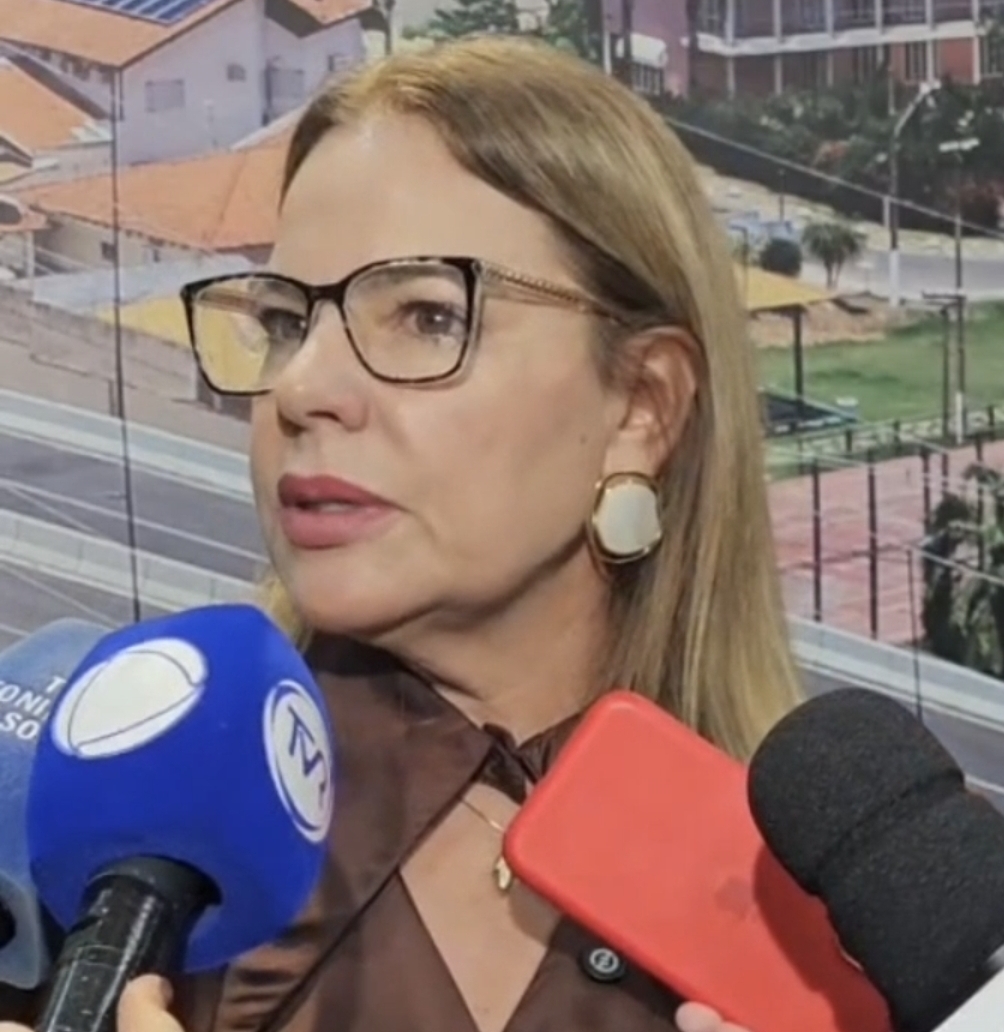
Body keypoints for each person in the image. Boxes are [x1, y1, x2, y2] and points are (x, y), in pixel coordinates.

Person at [0, 33, 802, 1032]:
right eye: (285, 322)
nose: (302, 388)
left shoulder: (824, 919)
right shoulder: (80, 819)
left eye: (426, 317)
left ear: (642, 403)